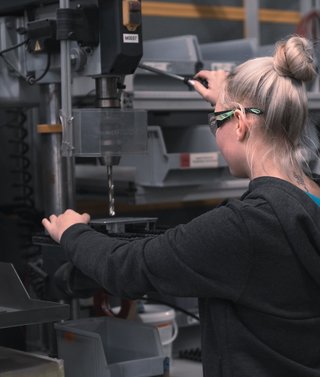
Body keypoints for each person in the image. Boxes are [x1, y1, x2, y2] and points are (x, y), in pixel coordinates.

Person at [42, 35, 320, 377]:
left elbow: (125, 268)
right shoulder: (309, 200)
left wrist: (72, 233)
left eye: (216, 122)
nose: (215, 135)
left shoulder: (244, 227)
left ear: (243, 124)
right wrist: (226, 102)